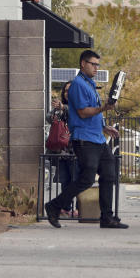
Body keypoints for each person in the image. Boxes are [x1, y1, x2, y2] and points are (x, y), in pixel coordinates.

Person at [44, 50, 127, 229]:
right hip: (84, 139)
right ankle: (54, 206)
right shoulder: (78, 85)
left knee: (109, 174)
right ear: (83, 63)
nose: (96, 68)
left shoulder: (90, 84)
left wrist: (105, 127)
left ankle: (106, 217)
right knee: (87, 179)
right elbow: (82, 113)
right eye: (93, 64)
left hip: (97, 138)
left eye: (98, 64)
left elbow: (93, 113)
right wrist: (104, 108)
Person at [46, 84, 77, 217]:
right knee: (64, 180)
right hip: (61, 150)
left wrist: (64, 108)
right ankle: (66, 208)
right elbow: (48, 117)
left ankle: (80, 208)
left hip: (75, 150)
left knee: (77, 180)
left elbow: (77, 116)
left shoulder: (78, 106)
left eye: (69, 91)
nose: (66, 93)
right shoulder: (59, 107)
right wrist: (54, 113)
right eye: (65, 90)